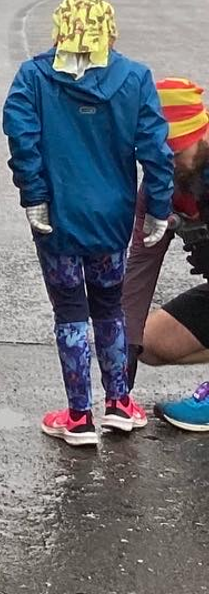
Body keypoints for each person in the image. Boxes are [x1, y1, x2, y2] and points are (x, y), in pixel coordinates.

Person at [2, 0, 173, 447]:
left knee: (70, 312)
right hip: (112, 218)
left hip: (57, 216)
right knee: (109, 306)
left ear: (60, 31)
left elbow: (23, 139)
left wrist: (34, 194)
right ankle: (119, 402)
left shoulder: (34, 78)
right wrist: (157, 206)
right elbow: (156, 149)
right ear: (109, 32)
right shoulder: (135, 79)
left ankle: (79, 415)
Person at [121, 78, 209, 428]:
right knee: (150, 341)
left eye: (173, 153)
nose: (166, 165)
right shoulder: (163, 186)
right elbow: (141, 265)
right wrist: (121, 362)